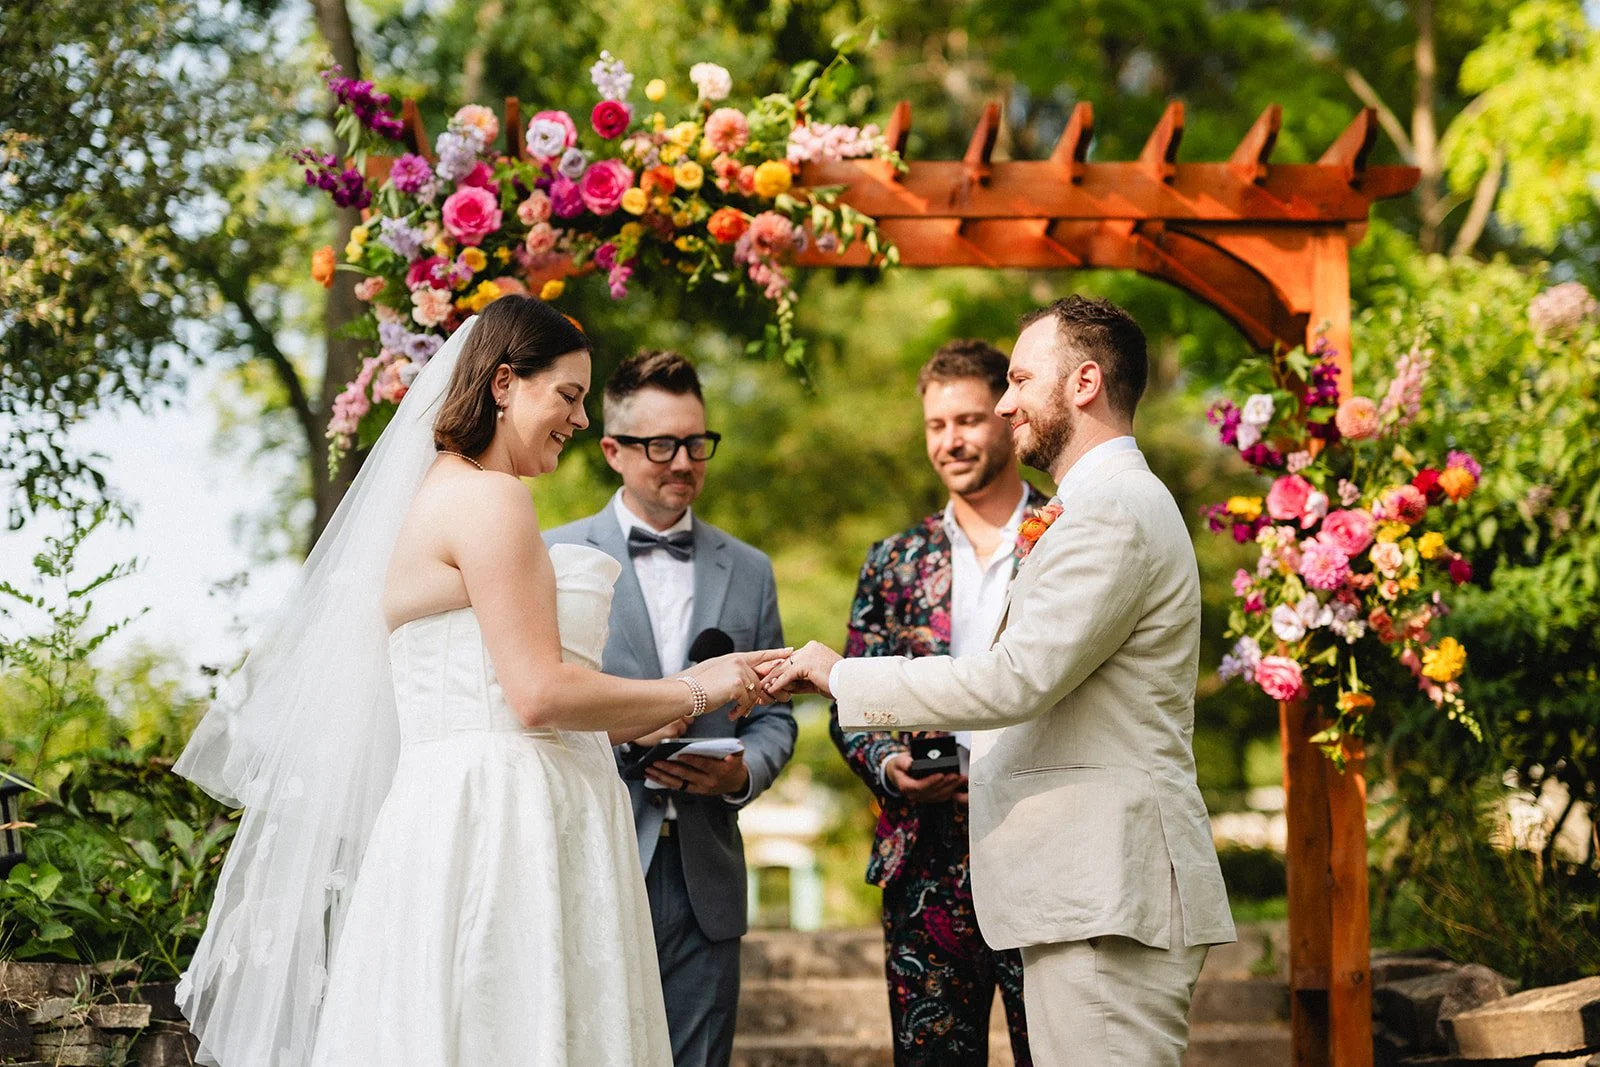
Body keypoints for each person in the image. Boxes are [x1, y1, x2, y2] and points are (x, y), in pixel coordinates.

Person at [172, 297, 788, 1067]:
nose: (576, 417)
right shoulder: (492, 498)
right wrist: (699, 688)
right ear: (504, 384)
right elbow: (538, 696)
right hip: (506, 820)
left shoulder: (428, 495)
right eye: (566, 395)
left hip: (441, 817)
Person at [765, 296, 1236, 1067]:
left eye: (1019, 379)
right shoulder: (1094, 506)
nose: (1006, 401)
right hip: (1074, 897)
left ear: (1084, 382)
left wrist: (839, 673)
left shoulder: (1111, 510)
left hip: (1104, 898)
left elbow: (1017, 680)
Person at [546, 349, 796, 1067]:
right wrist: (626, 730)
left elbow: (777, 713)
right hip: (593, 853)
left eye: (697, 442)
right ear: (613, 451)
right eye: (662, 445)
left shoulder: (749, 569)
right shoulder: (552, 555)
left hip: (706, 874)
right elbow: (532, 704)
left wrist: (744, 771)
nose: (683, 461)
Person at [827, 339, 1037, 1065]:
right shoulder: (893, 560)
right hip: (926, 865)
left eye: (970, 419)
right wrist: (889, 764)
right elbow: (847, 701)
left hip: (1046, 844)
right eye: (935, 425)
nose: (950, 440)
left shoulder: (1068, 537)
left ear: (1009, 419)